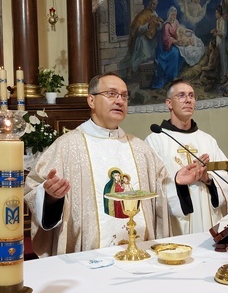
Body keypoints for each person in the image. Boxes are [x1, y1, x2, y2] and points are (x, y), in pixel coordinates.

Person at [24, 73, 171, 256]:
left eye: (124, 96)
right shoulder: (67, 147)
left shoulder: (141, 150)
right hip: (91, 258)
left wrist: (179, 183)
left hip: (141, 254)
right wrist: (51, 196)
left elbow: (164, 199)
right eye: (111, 94)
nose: (119, 101)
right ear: (91, 101)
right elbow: (34, 188)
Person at [145, 79, 228, 235]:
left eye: (191, 95)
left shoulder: (207, 140)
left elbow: (225, 178)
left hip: (207, 217)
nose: (188, 100)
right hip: (176, 222)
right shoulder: (155, 140)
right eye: (182, 95)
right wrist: (177, 181)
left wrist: (208, 179)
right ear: (169, 103)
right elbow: (149, 185)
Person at [127, 0, 163, 74]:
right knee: (145, 56)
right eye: (153, 4)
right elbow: (138, 28)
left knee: (154, 56)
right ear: (150, 3)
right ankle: (131, 69)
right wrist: (148, 25)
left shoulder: (155, 14)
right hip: (143, 39)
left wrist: (158, 24)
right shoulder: (144, 13)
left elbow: (159, 27)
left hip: (151, 39)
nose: (154, 6)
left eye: (156, 4)